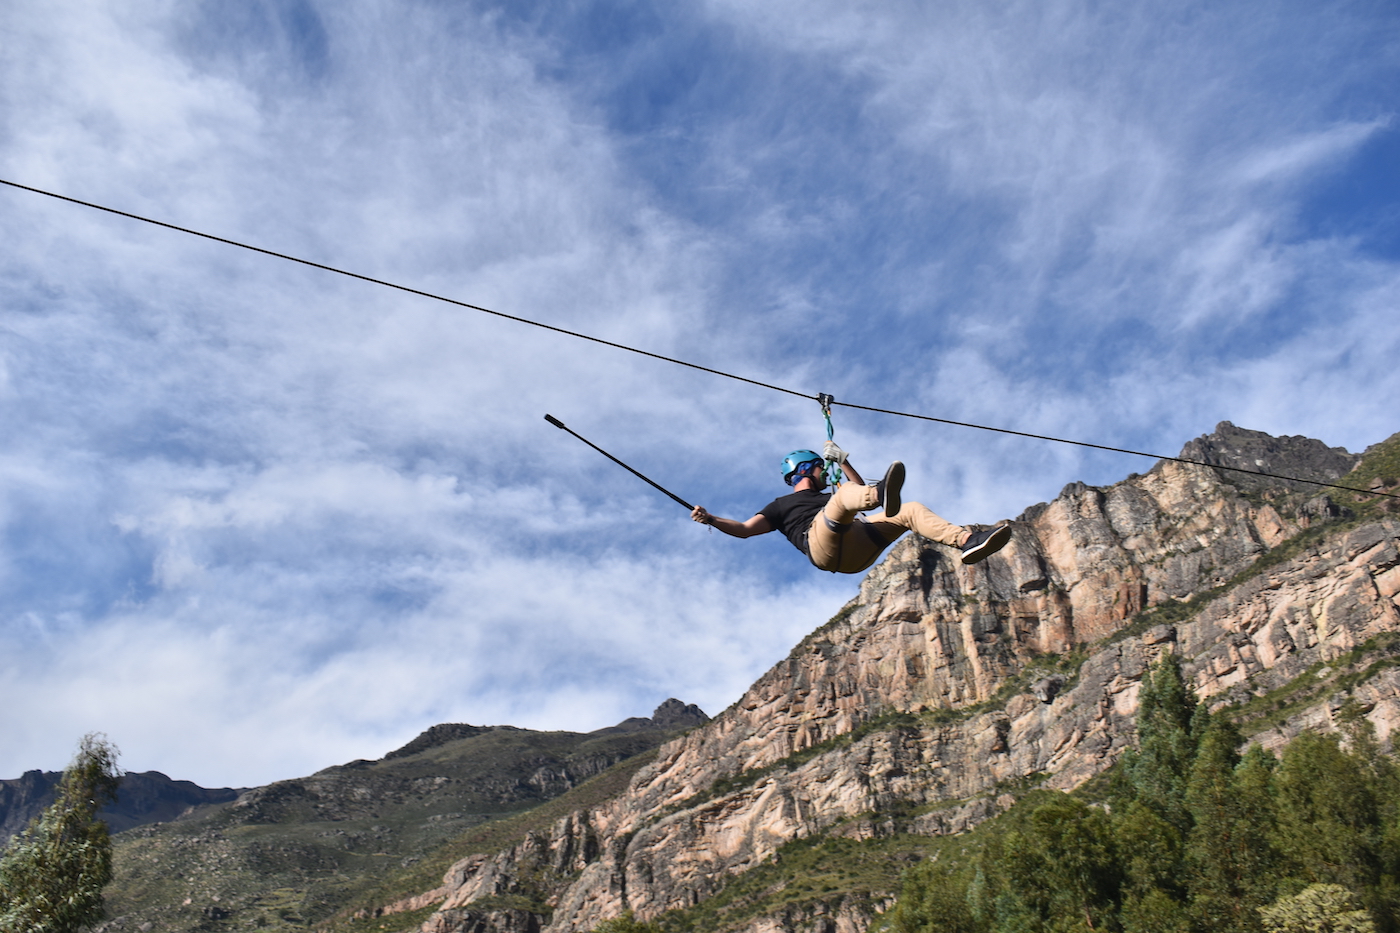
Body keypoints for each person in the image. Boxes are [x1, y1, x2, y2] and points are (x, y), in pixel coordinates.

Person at [689, 442, 1011, 574]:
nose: (824, 474)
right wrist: (712, 518)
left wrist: (843, 462)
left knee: (908, 509)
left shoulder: (836, 491)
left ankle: (967, 541)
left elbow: (851, 489)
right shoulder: (780, 505)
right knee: (845, 499)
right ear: (804, 471)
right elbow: (744, 530)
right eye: (820, 468)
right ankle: (879, 496)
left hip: (855, 544)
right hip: (822, 545)